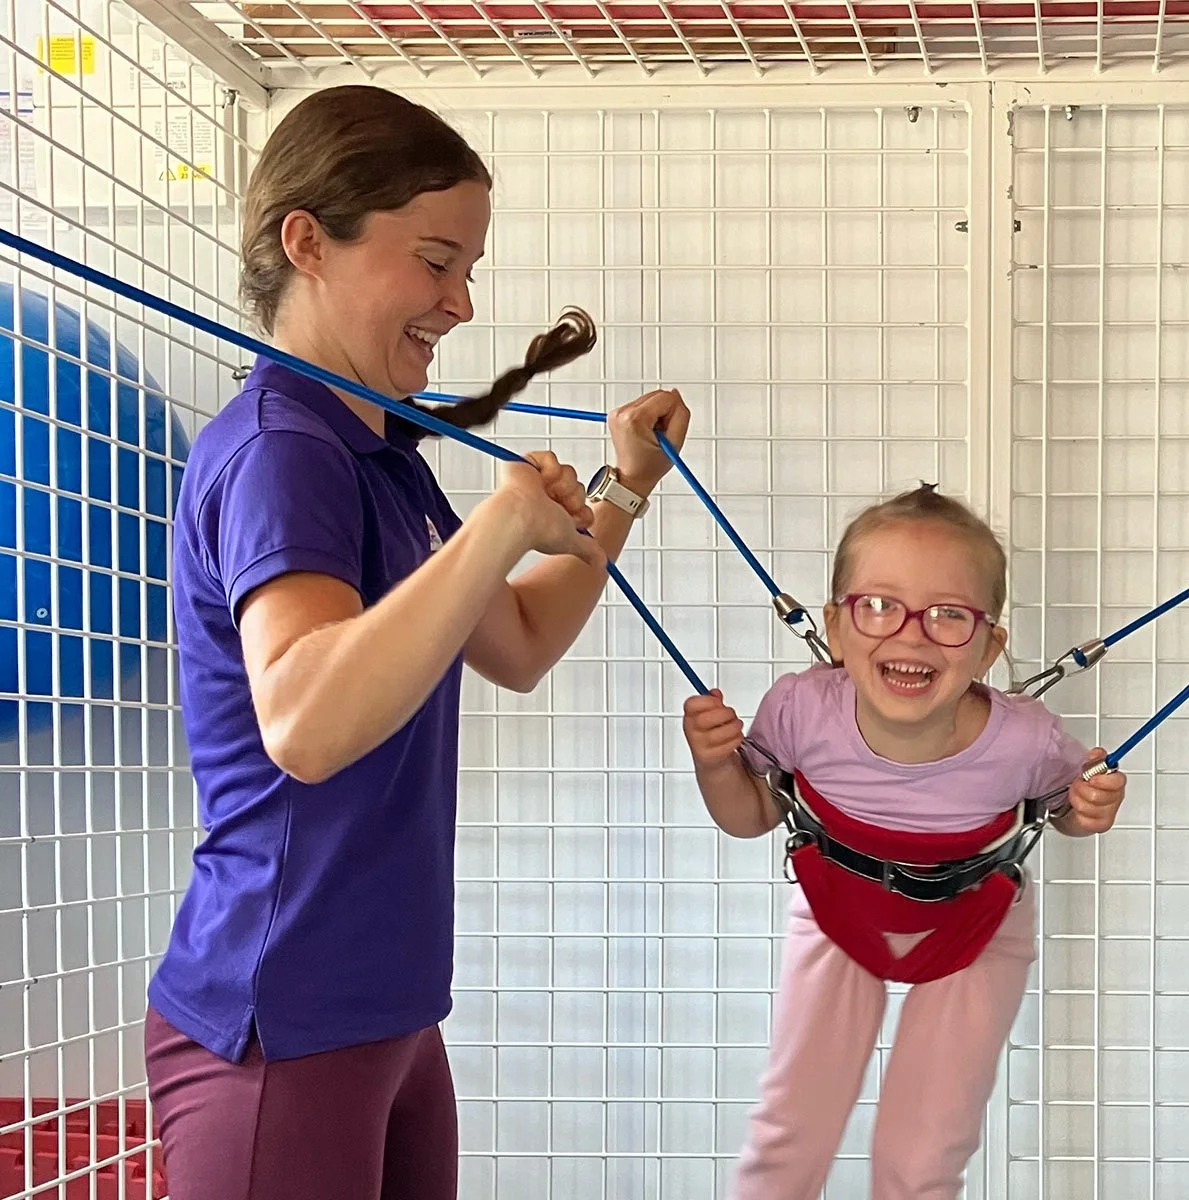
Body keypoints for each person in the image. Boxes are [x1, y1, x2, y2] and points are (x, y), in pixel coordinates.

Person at [144, 84, 693, 1200]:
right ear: (308, 242)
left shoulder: (380, 458)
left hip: (383, 1006)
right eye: (436, 262)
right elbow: (303, 721)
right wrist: (492, 528)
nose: (460, 304)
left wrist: (622, 490)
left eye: (468, 271)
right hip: (281, 1018)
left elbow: (522, 641)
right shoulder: (281, 450)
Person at [681, 483, 1128, 1199]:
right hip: (836, 909)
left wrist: (1089, 808)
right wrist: (714, 764)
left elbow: (1063, 812)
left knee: (920, 1161)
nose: (910, 635)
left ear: (989, 647)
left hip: (978, 925)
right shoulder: (800, 709)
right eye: (879, 606)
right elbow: (750, 815)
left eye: (949, 615)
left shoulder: (1024, 737)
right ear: (833, 624)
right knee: (788, 1141)